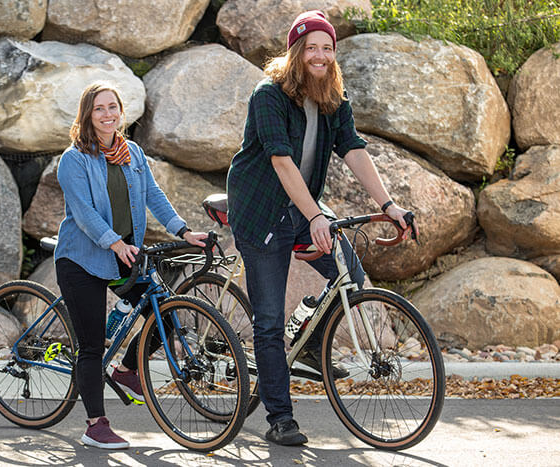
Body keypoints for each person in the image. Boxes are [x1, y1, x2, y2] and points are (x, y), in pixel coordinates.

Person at [226, 11, 418, 446]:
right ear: (296, 51)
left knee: (349, 273)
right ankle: (280, 419)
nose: (320, 55)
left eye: (327, 48)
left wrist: (389, 205)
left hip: (303, 205)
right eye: (311, 47)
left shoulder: (333, 96)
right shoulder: (269, 94)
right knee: (269, 321)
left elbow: (353, 149)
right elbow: (280, 160)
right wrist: (315, 216)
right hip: (260, 211)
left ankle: (311, 340)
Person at [54, 83, 207, 449]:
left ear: (121, 112)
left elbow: (154, 195)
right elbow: (84, 213)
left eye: (113, 108)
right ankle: (95, 424)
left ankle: (126, 369)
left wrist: (183, 230)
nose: (108, 115)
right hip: (82, 259)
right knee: (90, 346)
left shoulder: (132, 153)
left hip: (125, 255)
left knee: (166, 313)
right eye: (99, 109)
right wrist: (116, 242)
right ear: (87, 115)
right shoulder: (74, 159)